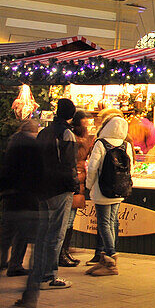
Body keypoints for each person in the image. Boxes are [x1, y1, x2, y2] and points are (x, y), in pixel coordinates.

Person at [17, 98, 78, 308]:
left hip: (43, 188)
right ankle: (48, 275)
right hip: (59, 188)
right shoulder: (66, 133)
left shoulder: (44, 132)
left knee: (43, 233)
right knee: (56, 233)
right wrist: (74, 186)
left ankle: (39, 274)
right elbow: (69, 164)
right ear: (71, 114)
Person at [0, 119, 41, 300]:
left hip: (12, 204)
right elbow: (41, 176)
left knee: (2, 246)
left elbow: (2, 175)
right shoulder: (37, 149)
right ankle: (30, 294)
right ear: (35, 131)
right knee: (35, 249)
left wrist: (4, 192)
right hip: (30, 204)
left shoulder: (10, 148)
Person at [84, 113, 132, 276]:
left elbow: (92, 168)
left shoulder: (101, 143)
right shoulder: (126, 145)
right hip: (119, 189)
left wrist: (88, 185)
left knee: (104, 223)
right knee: (112, 221)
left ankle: (110, 258)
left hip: (101, 189)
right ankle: (106, 259)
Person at [58, 111, 89, 268]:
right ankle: (61, 254)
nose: (87, 125)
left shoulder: (81, 138)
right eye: (84, 122)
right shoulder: (72, 138)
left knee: (70, 219)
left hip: (78, 180)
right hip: (74, 180)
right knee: (67, 219)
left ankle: (64, 252)